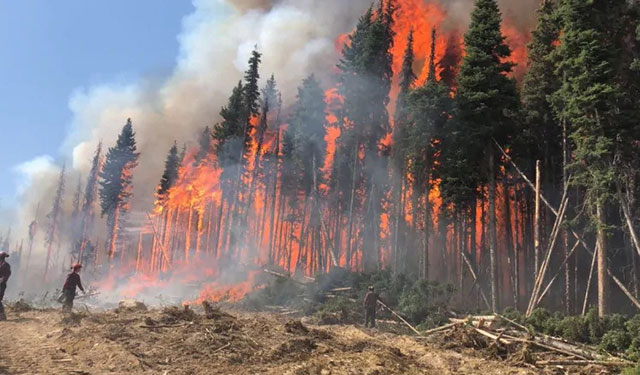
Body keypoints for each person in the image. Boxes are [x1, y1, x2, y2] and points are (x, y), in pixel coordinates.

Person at [0, 252, 11, 321]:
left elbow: (5, 277)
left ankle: (2, 316)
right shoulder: (1, 264)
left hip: (1, 285)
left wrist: (1, 281)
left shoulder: (5, 265)